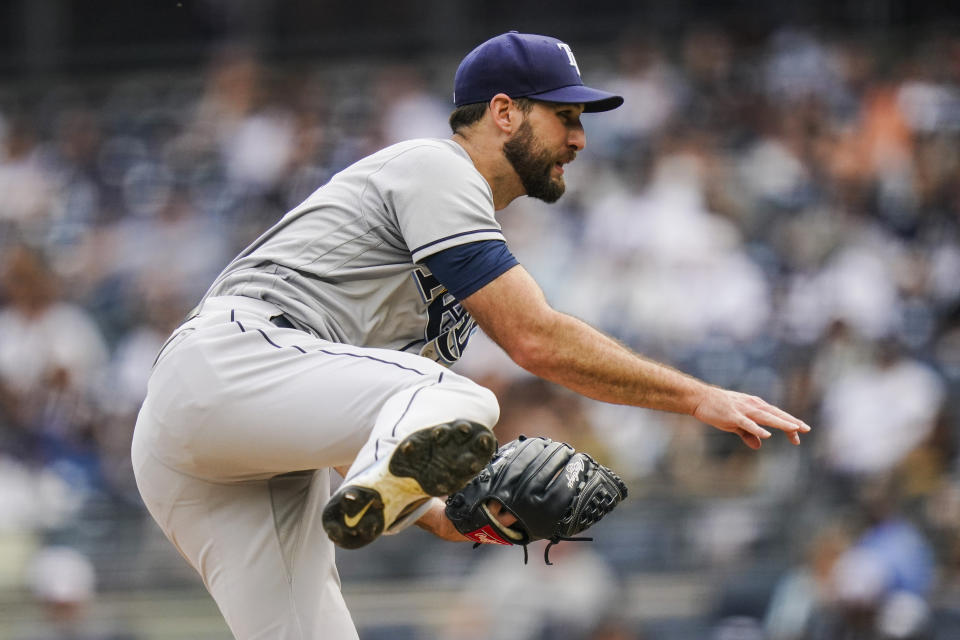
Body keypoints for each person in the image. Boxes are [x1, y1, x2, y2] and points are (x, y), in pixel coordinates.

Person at [131, 31, 810, 639]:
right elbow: (533, 339)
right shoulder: (437, 167)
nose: (579, 139)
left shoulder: (441, 279)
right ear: (504, 111)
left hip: (224, 452)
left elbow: (361, 441)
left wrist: (474, 517)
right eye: (565, 116)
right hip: (231, 360)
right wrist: (695, 398)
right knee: (467, 403)